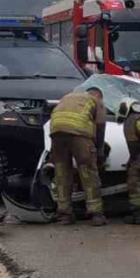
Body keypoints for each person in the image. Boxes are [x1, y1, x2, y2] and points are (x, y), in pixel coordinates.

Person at [50, 87, 107, 226]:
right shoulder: (96, 100)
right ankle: (96, 214)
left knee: (62, 174)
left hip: (56, 132)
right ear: (99, 96)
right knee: (88, 173)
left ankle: (65, 215)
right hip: (79, 133)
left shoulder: (68, 96)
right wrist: (99, 149)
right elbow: (100, 125)